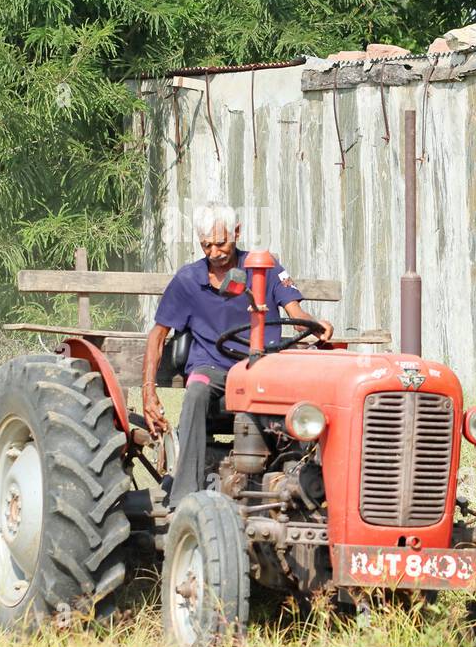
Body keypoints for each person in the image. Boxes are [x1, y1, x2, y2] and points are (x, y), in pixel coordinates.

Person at [140, 203, 333, 508]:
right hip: (213, 369)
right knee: (197, 390)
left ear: (237, 233)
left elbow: (296, 314)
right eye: (206, 245)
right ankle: (184, 497)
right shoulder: (188, 280)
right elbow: (158, 334)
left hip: (263, 368)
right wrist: (148, 392)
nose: (214, 252)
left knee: (307, 399)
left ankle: (302, 485)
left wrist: (315, 325)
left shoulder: (264, 269)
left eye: (221, 243)